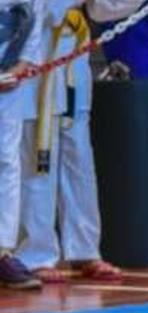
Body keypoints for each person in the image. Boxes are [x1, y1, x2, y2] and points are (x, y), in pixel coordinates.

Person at [16, 1, 123, 283]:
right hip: (32, 53)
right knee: (38, 154)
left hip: (73, 51)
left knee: (78, 155)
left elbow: (104, 9)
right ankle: (35, 252)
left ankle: (85, 248)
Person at [0, 0, 43, 289]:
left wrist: (22, 64)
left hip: (9, 73)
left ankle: (2, 250)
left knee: (6, 160)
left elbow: (34, 13)